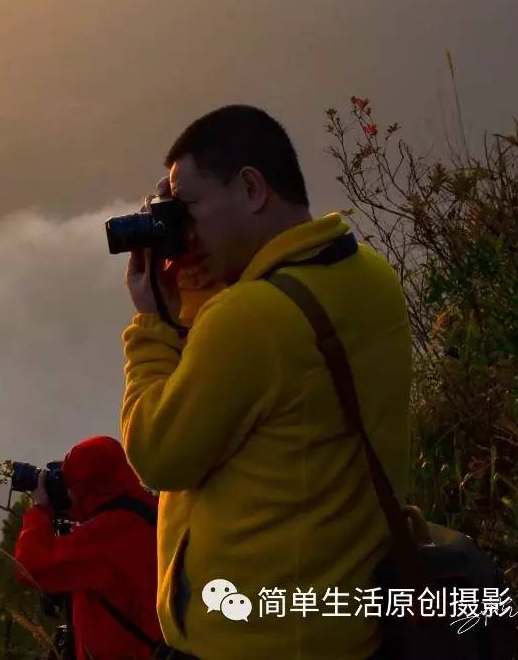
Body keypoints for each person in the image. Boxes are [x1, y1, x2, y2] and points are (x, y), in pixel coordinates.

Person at [119, 105, 413, 660]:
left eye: (190, 208)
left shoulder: (251, 318)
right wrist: (204, 295)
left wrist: (153, 324)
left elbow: (158, 455)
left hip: (248, 641)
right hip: (338, 629)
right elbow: (267, 388)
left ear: (252, 188)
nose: (186, 231)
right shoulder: (370, 277)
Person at [13, 435, 163, 660]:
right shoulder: (148, 511)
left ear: (88, 486)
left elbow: (29, 566)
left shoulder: (107, 534)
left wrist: (41, 510)